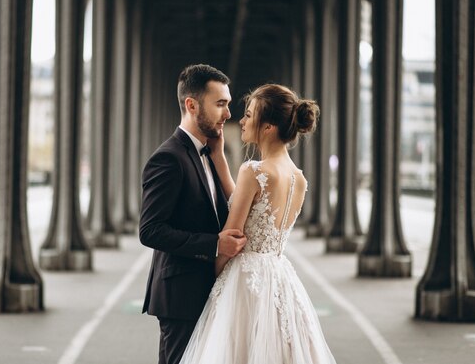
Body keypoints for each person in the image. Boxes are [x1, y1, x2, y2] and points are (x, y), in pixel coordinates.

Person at [179, 83, 337, 364]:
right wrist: (219, 157)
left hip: (245, 281)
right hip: (279, 277)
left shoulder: (254, 171)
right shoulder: (298, 178)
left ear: (268, 127)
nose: (242, 120)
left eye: (250, 115)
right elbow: (244, 200)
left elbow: (232, 236)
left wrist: (210, 281)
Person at [139, 64, 248, 364]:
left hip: (209, 291)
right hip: (181, 298)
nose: (228, 114)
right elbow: (150, 230)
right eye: (220, 104)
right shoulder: (167, 159)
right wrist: (215, 244)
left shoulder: (209, 154)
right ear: (191, 105)